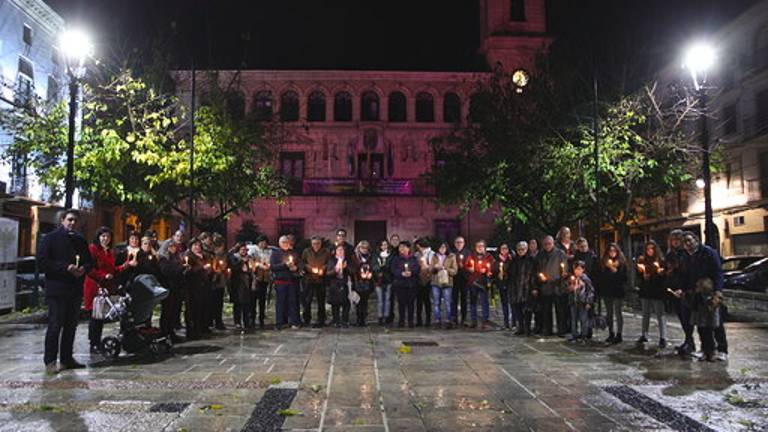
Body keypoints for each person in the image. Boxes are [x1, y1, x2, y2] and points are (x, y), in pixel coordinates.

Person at [38, 209, 95, 373]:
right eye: (69, 220)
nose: (72, 223)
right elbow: (42, 262)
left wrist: (83, 268)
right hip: (57, 289)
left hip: (74, 289)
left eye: (75, 221)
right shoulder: (51, 238)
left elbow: (89, 262)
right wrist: (65, 267)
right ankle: (50, 361)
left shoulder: (79, 240)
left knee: (71, 326)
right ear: (62, 220)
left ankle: (66, 358)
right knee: (55, 325)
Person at [84, 226, 131, 353]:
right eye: (103, 236)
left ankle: (97, 342)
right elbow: (90, 269)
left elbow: (112, 269)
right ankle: (93, 343)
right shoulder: (93, 249)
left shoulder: (109, 251)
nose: (105, 239)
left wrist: (122, 267)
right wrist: (102, 276)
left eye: (108, 237)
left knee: (102, 316)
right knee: (95, 316)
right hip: (95, 287)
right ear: (98, 237)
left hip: (106, 286)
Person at [679, 232, 724, 362]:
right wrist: (683, 290)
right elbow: (685, 275)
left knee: (715, 323)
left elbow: (717, 272)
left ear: (696, 240)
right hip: (696, 292)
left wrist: (718, 291)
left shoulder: (708, 252)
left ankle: (721, 349)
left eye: (689, 240)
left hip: (709, 291)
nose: (687, 244)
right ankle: (706, 350)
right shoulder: (686, 256)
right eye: (685, 242)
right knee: (701, 323)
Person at [665, 229, 694, 355]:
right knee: (681, 316)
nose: (675, 242)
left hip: (684, 288)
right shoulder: (670, 254)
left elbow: (687, 270)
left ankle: (689, 341)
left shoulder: (685, 254)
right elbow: (667, 268)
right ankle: (688, 341)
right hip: (673, 288)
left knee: (686, 316)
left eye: (678, 239)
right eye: (673, 239)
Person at [636, 240, 667, 348]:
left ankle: (663, 337)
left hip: (657, 290)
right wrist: (642, 276)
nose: (650, 251)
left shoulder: (661, 260)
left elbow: (664, 275)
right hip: (646, 290)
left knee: (660, 314)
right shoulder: (642, 260)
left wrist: (659, 274)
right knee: (645, 313)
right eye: (648, 249)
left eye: (652, 248)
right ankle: (644, 334)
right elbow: (638, 275)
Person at [534, 236, 568, 336]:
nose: (547, 246)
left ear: (553, 243)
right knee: (546, 310)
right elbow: (537, 269)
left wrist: (563, 275)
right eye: (545, 244)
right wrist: (540, 277)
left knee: (560, 310)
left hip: (557, 285)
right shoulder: (540, 255)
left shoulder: (560, 253)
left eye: (549, 243)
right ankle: (547, 329)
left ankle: (561, 330)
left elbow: (565, 268)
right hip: (545, 286)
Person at [597, 243, 628, 344]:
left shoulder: (622, 263)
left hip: (618, 291)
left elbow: (624, 278)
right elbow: (601, 277)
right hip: (607, 291)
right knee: (609, 313)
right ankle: (611, 332)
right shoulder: (603, 263)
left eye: (614, 251)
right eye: (610, 251)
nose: (612, 253)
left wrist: (615, 271)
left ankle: (619, 334)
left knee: (618, 312)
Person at [271, 235, 301, 330]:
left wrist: (296, 268)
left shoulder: (293, 253)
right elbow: (273, 267)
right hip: (280, 281)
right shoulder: (275, 253)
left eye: (287, 242)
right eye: (283, 242)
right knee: (280, 303)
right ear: (279, 244)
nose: (285, 244)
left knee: (292, 302)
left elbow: (299, 264)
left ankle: (294, 321)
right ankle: (280, 322)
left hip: (291, 281)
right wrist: (284, 265)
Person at [183, 238, 211, 340]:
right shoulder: (188, 256)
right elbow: (188, 271)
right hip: (191, 286)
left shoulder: (204, 256)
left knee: (200, 308)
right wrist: (202, 268)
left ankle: (199, 328)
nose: (197, 247)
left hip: (202, 285)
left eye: (199, 245)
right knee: (191, 309)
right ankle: (191, 331)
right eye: (195, 245)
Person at [158, 240, 185, 342]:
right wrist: (180, 268)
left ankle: (171, 331)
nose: (173, 248)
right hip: (168, 287)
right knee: (167, 311)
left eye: (175, 246)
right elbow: (167, 271)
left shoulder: (176, 258)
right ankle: (165, 332)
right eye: (171, 246)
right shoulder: (163, 259)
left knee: (174, 311)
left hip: (176, 288)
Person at [466, 240, 495, 330]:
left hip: (483, 282)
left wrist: (487, 271)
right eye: (478, 246)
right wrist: (469, 268)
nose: (480, 247)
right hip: (473, 281)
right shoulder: (471, 256)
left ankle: (485, 321)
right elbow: (467, 265)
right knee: (473, 302)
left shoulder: (489, 256)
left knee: (484, 302)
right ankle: (473, 321)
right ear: (475, 247)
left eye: (482, 246)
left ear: (484, 247)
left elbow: (493, 266)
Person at [302, 236, 330, 327]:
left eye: (318, 243)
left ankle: (321, 319)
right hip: (309, 279)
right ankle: (307, 319)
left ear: (321, 243)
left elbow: (328, 263)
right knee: (307, 300)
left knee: (321, 300)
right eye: (314, 243)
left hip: (321, 279)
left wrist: (323, 268)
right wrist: (309, 268)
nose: (316, 245)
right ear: (311, 243)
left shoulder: (326, 252)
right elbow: (303, 262)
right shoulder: (306, 251)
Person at [509, 241, 536, 335]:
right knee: (518, 310)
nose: (521, 251)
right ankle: (520, 327)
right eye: (519, 249)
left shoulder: (531, 260)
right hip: (516, 288)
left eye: (523, 249)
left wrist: (534, 287)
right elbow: (510, 274)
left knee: (527, 310)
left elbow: (534, 275)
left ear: (526, 249)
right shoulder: (514, 260)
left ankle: (527, 328)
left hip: (527, 288)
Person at [391, 241, 419, 328]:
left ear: (408, 248)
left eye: (403, 247)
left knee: (411, 303)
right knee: (401, 303)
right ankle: (401, 321)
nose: (401, 249)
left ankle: (410, 321)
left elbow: (417, 268)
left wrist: (411, 272)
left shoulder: (413, 258)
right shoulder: (396, 259)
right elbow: (393, 269)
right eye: (400, 247)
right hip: (400, 284)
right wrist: (401, 273)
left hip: (411, 284)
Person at [430, 242, 458, 329]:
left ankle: (448, 320)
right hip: (436, 282)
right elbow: (431, 269)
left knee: (447, 302)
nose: (442, 249)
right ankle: (437, 320)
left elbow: (455, 271)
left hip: (447, 283)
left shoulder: (451, 256)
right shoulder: (434, 256)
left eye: (444, 247)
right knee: (436, 302)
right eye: (440, 247)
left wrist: (446, 269)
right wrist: (435, 267)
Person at [568, 261, 595, 342]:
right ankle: (574, 335)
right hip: (574, 301)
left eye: (579, 269)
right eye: (576, 269)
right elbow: (567, 288)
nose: (577, 271)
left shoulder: (586, 279)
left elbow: (590, 291)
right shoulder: (572, 278)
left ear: (583, 270)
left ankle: (584, 335)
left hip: (583, 302)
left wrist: (588, 302)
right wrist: (571, 288)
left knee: (583, 319)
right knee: (574, 319)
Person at [229, 243, 255, 331]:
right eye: (242, 250)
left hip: (247, 282)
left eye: (245, 250)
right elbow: (234, 268)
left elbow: (252, 269)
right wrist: (242, 262)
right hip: (238, 282)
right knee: (238, 303)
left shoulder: (249, 258)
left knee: (247, 303)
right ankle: (237, 321)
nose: (244, 252)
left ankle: (246, 321)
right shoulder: (234, 257)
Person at [326, 244, 352, 327]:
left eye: (342, 250)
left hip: (344, 283)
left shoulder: (347, 260)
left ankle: (345, 320)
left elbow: (352, 271)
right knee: (335, 303)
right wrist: (335, 270)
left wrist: (345, 268)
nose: (340, 251)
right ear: (335, 252)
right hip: (334, 284)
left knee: (345, 303)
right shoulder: (332, 260)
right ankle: (336, 320)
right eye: (338, 250)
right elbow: (328, 273)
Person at [250, 236, 272, 329]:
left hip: (265, 277)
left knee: (262, 299)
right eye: (261, 242)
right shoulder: (253, 250)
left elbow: (271, 261)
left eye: (265, 242)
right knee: (253, 299)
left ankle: (261, 318)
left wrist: (268, 265)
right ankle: (252, 318)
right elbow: (251, 261)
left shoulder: (269, 251)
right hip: (256, 277)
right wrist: (258, 265)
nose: (263, 244)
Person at [352, 241, 374, 327]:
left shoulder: (370, 257)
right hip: (358, 281)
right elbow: (353, 269)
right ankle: (358, 319)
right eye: (362, 248)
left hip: (367, 282)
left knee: (365, 302)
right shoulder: (355, 257)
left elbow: (372, 267)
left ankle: (363, 319)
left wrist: (370, 274)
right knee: (358, 301)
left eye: (366, 248)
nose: (364, 250)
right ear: (359, 248)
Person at [451, 236, 471, 326]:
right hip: (454, 278)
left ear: (464, 243)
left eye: (461, 242)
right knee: (454, 299)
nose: (459, 244)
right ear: (455, 244)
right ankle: (454, 318)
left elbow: (471, 265)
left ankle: (464, 318)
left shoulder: (468, 253)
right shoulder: (452, 253)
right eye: (457, 242)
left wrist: (464, 266)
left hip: (464, 278)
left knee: (464, 299)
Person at [373, 240, 394, 326]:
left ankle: (386, 317)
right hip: (379, 280)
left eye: (386, 244)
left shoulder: (391, 256)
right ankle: (380, 317)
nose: (384, 246)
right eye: (382, 245)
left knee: (387, 300)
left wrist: (386, 268)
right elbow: (374, 265)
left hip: (388, 280)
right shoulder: (376, 255)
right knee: (380, 300)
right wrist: (378, 269)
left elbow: (392, 266)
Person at [415, 239, 434, 327]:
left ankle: (428, 320)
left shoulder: (431, 253)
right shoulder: (417, 254)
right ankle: (419, 320)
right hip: (419, 279)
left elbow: (432, 266)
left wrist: (426, 266)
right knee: (419, 300)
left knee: (427, 300)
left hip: (428, 279)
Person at [494, 243, 514, 329]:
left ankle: (513, 322)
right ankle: (506, 322)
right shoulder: (497, 260)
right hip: (501, 284)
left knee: (512, 303)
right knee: (504, 303)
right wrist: (497, 274)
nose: (504, 250)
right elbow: (493, 270)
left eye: (506, 248)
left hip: (510, 283)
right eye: (502, 248)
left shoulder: (511, 259)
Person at [386, 234, 401, 325]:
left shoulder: (401, 251)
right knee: (390, 299)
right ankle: (389, 317)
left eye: (396, 239)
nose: (395, 241)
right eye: (393, 240)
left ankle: (401, 317)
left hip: (400, 278)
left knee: (400, 299)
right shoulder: (388, 251)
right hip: (390, 279)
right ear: (390, 241)